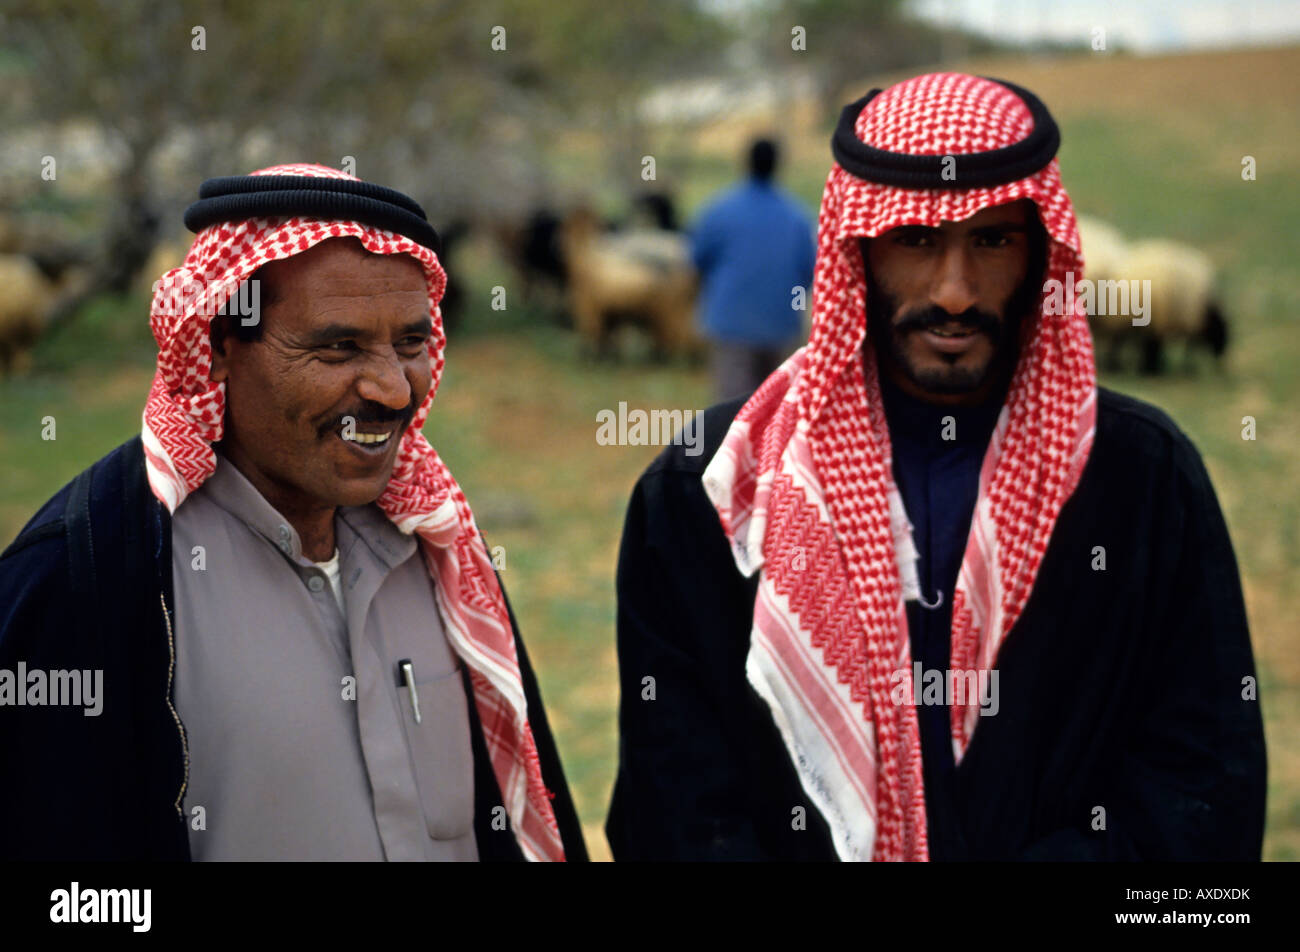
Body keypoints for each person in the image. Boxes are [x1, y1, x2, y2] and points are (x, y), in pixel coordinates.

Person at [606, 74, 1266, 861]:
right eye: (916, 240)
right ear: (859, 250)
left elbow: (1202, 789)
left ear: (1039, 253)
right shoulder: (708, 489)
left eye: (992, 240)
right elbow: (672, 804)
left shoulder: (1140, 476)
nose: (955, 292)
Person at [0, 164, 586, 862]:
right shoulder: (89, 573)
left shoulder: (442, 550)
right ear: (218, 346)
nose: (393, 391)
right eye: (338, 347)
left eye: (410, 344)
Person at [690, 138, 816, 402]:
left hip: (731, 326)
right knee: (777, 410)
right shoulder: (797, 217)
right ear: (777, 166)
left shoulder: (719, 211)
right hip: (781, 326)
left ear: (745, 163)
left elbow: (697, 260)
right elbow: (809, 273)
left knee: (731, 411)